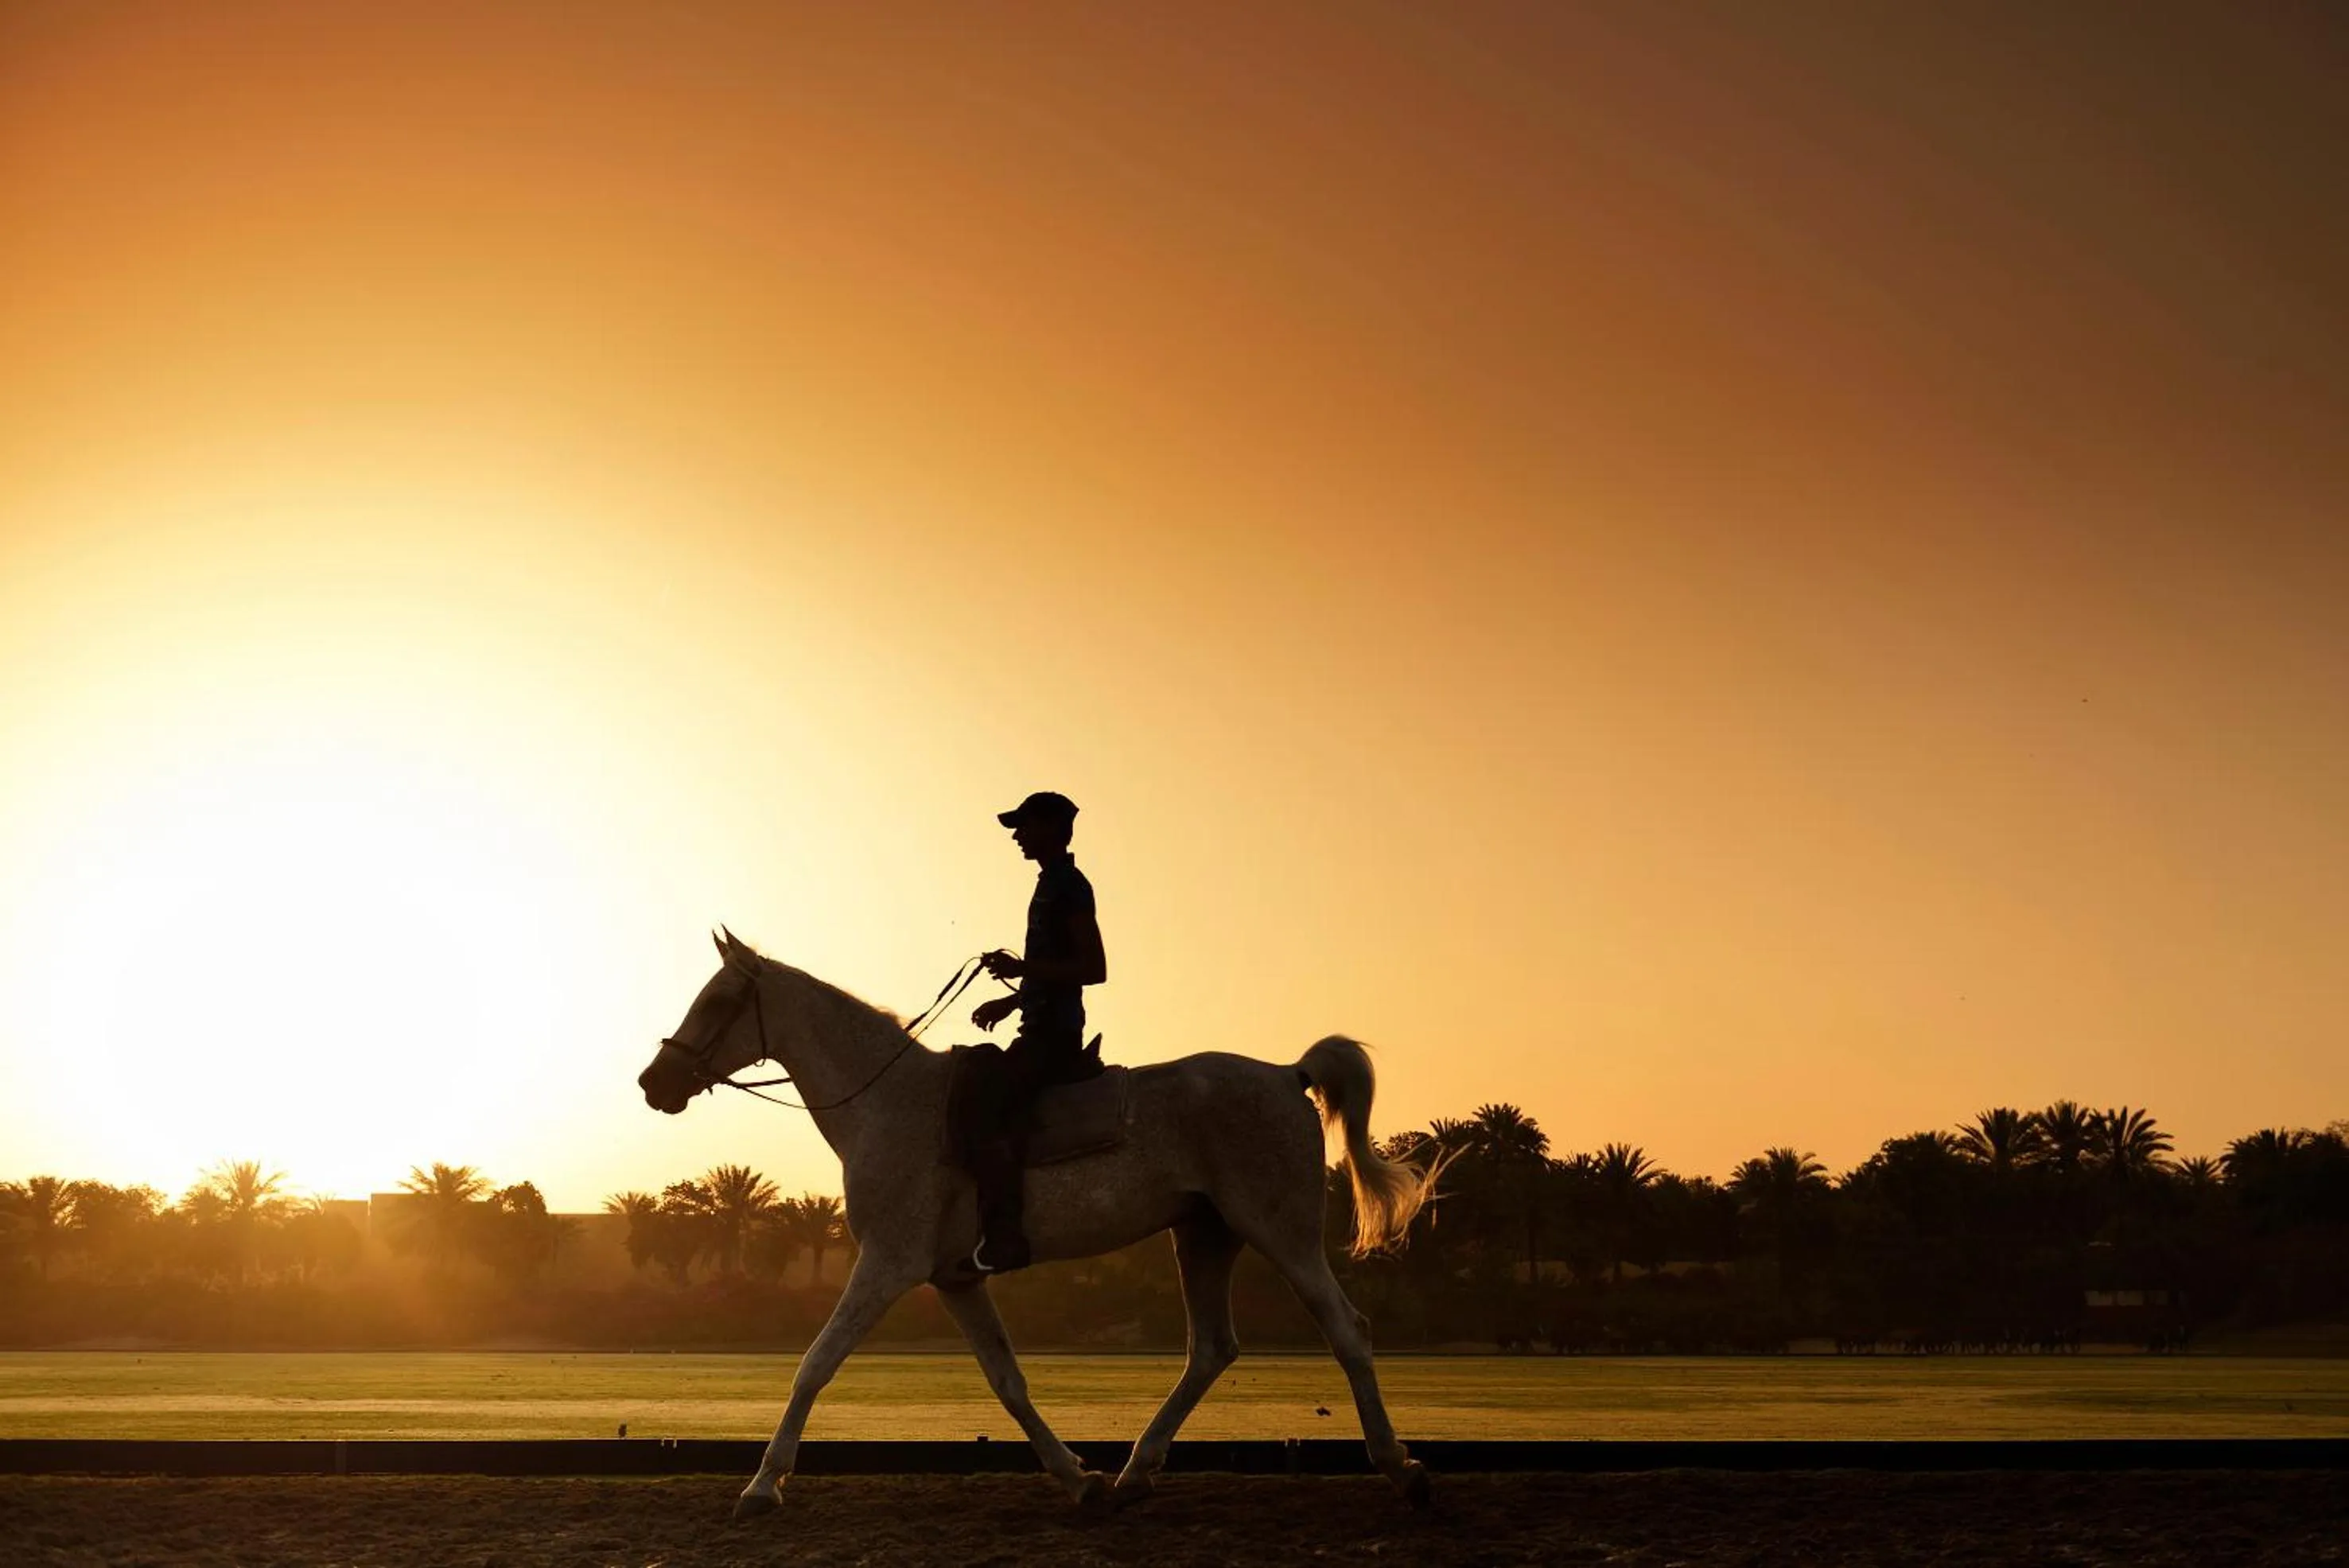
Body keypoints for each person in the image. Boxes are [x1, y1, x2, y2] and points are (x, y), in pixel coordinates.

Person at [962, 790, 1107, 1273]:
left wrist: (1022, 968)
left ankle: (1005, 1239)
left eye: (1024, 827)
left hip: (1053, 1038)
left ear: (1052, 828)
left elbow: (1093, 967)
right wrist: (1011, 998)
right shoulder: (1050, 884)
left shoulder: (1070, 885)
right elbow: (1052, 974)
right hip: (1039, 1028)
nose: (1018, 836)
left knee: (983, 1107)